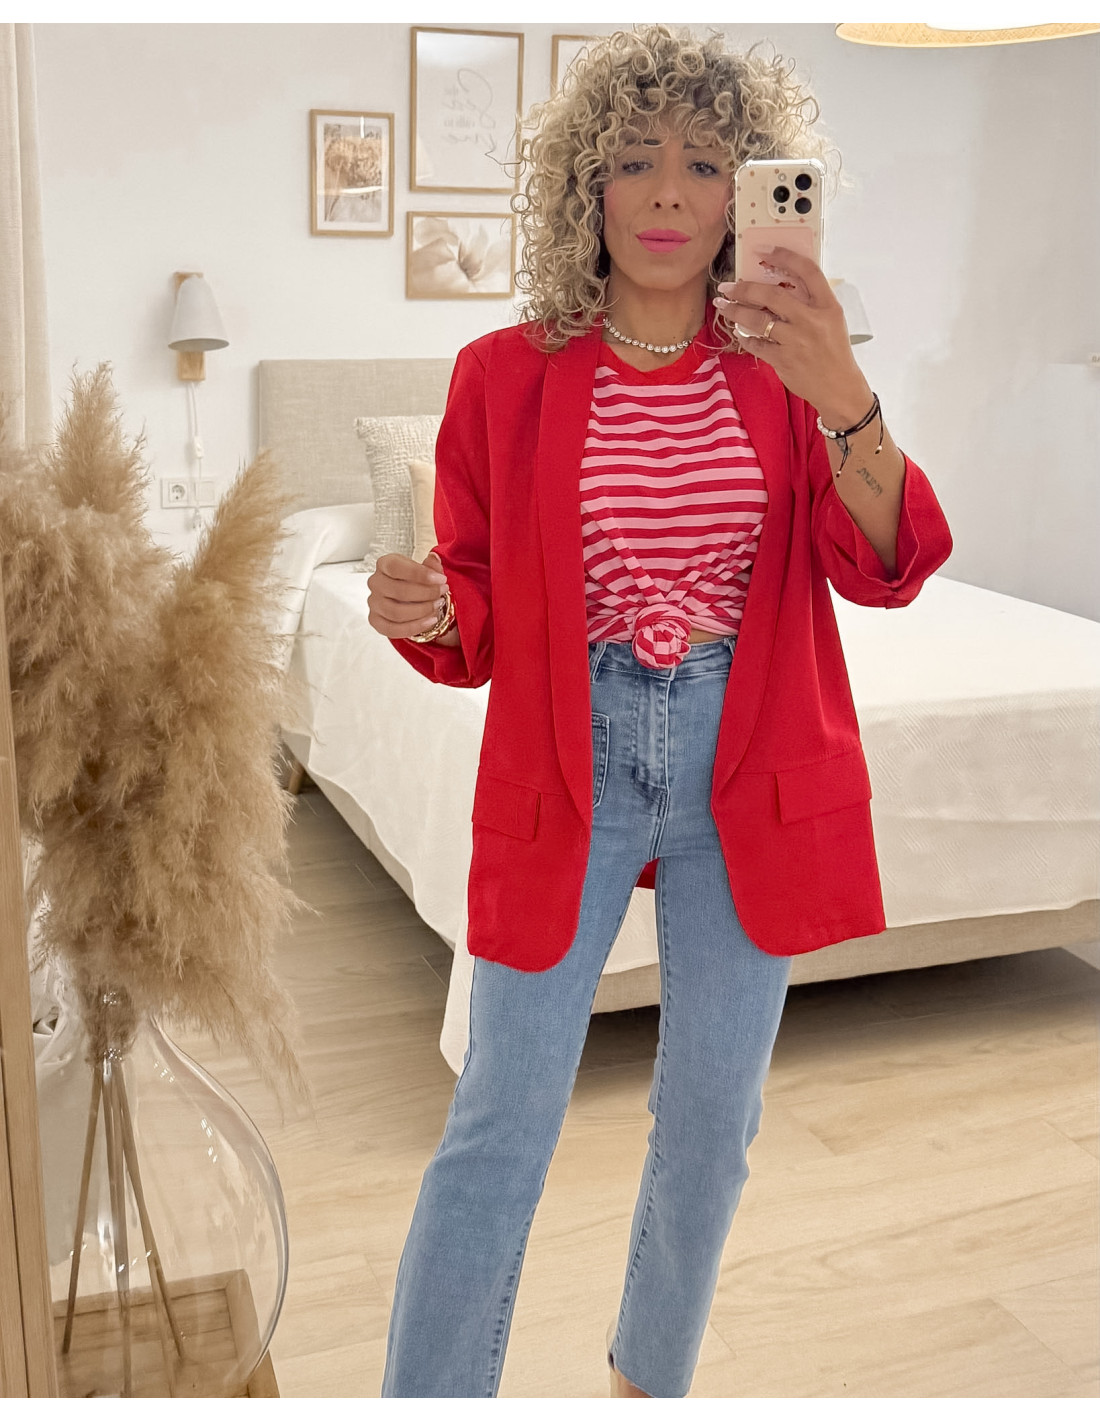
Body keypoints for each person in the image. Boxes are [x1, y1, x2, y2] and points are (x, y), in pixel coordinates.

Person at [366, 26, 952, 1399]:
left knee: (710, 1126)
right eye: (636, 159)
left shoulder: (787, 372)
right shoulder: (502, 377)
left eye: (704, 163)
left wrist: (844, 391)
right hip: (568, 761)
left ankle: (649, 1385)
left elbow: (889, 563)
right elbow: (479, 603)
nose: (671, 193)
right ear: (588, 185)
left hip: (750, 760)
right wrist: (431, 610)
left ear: (747, 191)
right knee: (498, 1126)